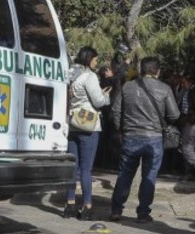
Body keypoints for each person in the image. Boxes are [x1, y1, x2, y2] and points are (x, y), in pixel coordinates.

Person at [109, 57, 179, 223]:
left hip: (130, 136)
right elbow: (175, 114)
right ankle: (143, 213)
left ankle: (116, 210)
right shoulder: (164, 88)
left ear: (140, 70)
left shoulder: (128, 87)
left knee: (125, 174)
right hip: (154, 138)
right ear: (157, 71)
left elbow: (116, 110)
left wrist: (120, 129)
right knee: (149, 176)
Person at [64, 46, 110, 221]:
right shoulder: (89, 76)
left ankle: (69, 204)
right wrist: (106, 97)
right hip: (88, 125)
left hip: (72, 123)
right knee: (86, 169)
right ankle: (87, 206)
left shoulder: (69, 75)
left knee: (72, 168)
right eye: (95, 60)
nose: (96, 63)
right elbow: (98, 101)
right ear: (89, 59)